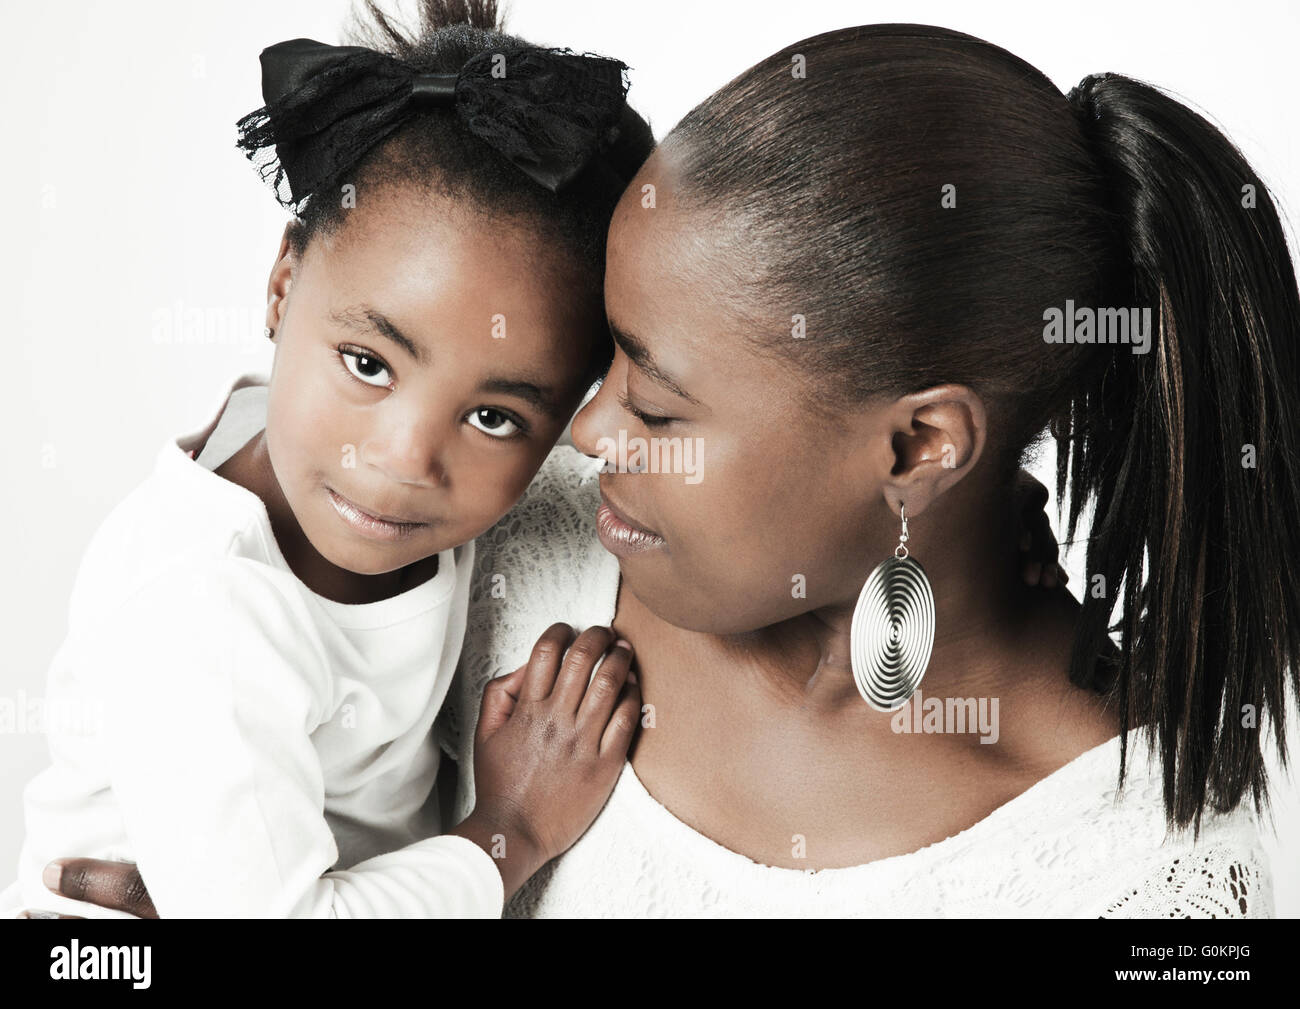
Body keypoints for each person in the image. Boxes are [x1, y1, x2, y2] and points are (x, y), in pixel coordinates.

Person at [2, 0, 652, 918]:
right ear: (281, 285)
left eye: (495, 417)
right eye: (367, 364)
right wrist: (513, 828)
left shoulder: (321, 458)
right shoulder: (202, 609)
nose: (403, 458)